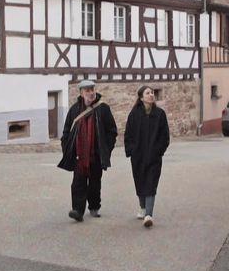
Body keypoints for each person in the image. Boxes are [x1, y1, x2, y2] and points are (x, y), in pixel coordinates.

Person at [58, 80, 118, 222]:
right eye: (87, 90)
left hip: (96, 154)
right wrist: (67, 149)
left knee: (95, 182)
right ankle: (78, 210)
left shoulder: (103, 109)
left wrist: (106, 149)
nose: (91, 93)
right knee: (78, 182)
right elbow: (66, 131)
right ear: (81, 93)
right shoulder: (74, 110)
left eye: (92, 89)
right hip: (79, 154)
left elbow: (112, 131)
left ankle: (94, 207)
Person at [124, 86, 170, 228]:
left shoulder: (160, 114)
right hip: (138, 156)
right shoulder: (134, 114)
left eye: (152, 93)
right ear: (141, 97)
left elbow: (165, 136)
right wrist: (131, 150)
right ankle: (143, 207)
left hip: (154, 157)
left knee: (151, 183)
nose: (151, 95)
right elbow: (128, 134)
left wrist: (159, 151)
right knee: (140, 182)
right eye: (147, 93)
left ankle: (149, 214)